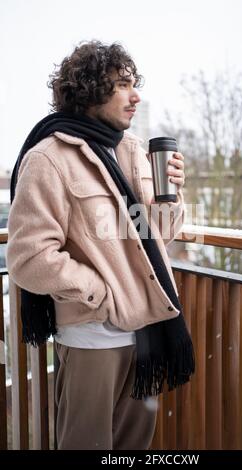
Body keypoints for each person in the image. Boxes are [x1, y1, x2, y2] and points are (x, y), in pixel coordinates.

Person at [6, 40, 195, 450]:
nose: (136, 95)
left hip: (146, 330)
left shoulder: (129, 150)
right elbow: (28, 257)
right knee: (86, 443)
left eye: (135, 84)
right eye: (123, 85)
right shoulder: (48, 158)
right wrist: (100, 293)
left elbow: (154, 234)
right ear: (91, 89)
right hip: (94, 335)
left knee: (134, 444)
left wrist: (173, 194)